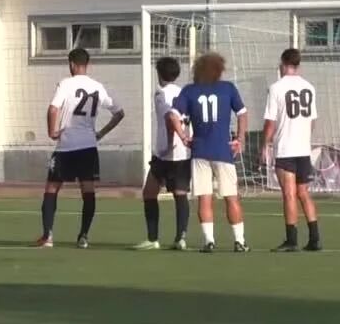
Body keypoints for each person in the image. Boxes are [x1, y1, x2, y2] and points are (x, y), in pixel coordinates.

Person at [36, 48, 125, 249]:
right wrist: (100, 133)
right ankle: (83, 236)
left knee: (51, 189)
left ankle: (48, 236)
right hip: (88, 146)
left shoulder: (66, 84)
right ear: (88, 64)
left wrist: (52, 131)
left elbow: (53, 108)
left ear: (71, 64)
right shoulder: (97, 87)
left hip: (66, 146)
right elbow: (119, 113)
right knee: (88, 190)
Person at [169, 52, 249, 253]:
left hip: (199, 150)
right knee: (231, 197)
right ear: (219, 70)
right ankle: (239, 241)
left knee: (204, 197)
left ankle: (209, 241)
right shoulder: (228, 88)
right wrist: (240, 138)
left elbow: (173, 115)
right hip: (223, 150)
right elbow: (242, 113)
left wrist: (183, 137)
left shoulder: (189, 91)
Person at [261, 48, 321, 251]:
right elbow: (312, 121)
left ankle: (292, 239)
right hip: (303, 148)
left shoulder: (277, 88)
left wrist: (264, 144)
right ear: (298, 65)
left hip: (285, 148)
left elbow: (270, 121)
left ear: (284, 64)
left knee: (289, 193)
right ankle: (315, 238)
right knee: (303, 192)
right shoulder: (309, 87)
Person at [133, 57, 191, 251]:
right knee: (180, 194)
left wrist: (168, 143)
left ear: (159, 74)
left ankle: (152, 238)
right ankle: (181, 237)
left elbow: (169, 118)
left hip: (166, 154)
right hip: (184, 153)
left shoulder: (160, 93)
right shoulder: (184, 93)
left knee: (149, 193)